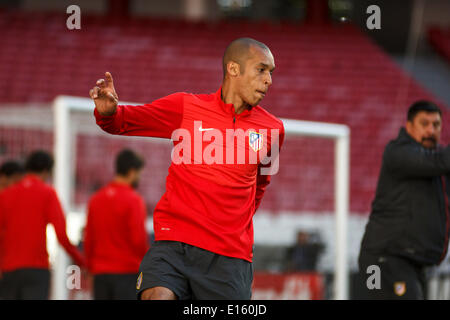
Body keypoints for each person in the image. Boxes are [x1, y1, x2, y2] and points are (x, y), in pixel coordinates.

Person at [89, 37, 285, 300]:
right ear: (233, 69)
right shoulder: (186, 107)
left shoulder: (273, 130)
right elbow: (122, 121)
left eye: (271, 72)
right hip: (174, 245)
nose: (269, 80)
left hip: (228, 259)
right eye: (261, 69)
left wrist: (232, 224)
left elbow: (261, 185)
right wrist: (108, 112)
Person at [358, 101, 450, 300]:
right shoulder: (398, 151)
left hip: (414, 261)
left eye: (436, 125)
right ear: (409, 127)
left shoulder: (438, 164)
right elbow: (438, 162)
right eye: (424, 124)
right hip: (383, 259)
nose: (431, 130)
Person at [0, 150, 86, 299]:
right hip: (36, 269)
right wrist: (81, 260)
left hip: (9, 270)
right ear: (47, 171)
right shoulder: (48, 193)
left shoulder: (5, 194)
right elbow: (61, 235)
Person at [84, 149, 149, 300]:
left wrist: (89, 266)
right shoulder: (134, 200)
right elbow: (138, 239)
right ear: (132, 172)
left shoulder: (96, 199)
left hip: (100, 273)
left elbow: (89, 238)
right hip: (126, 272)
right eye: (139, 174)